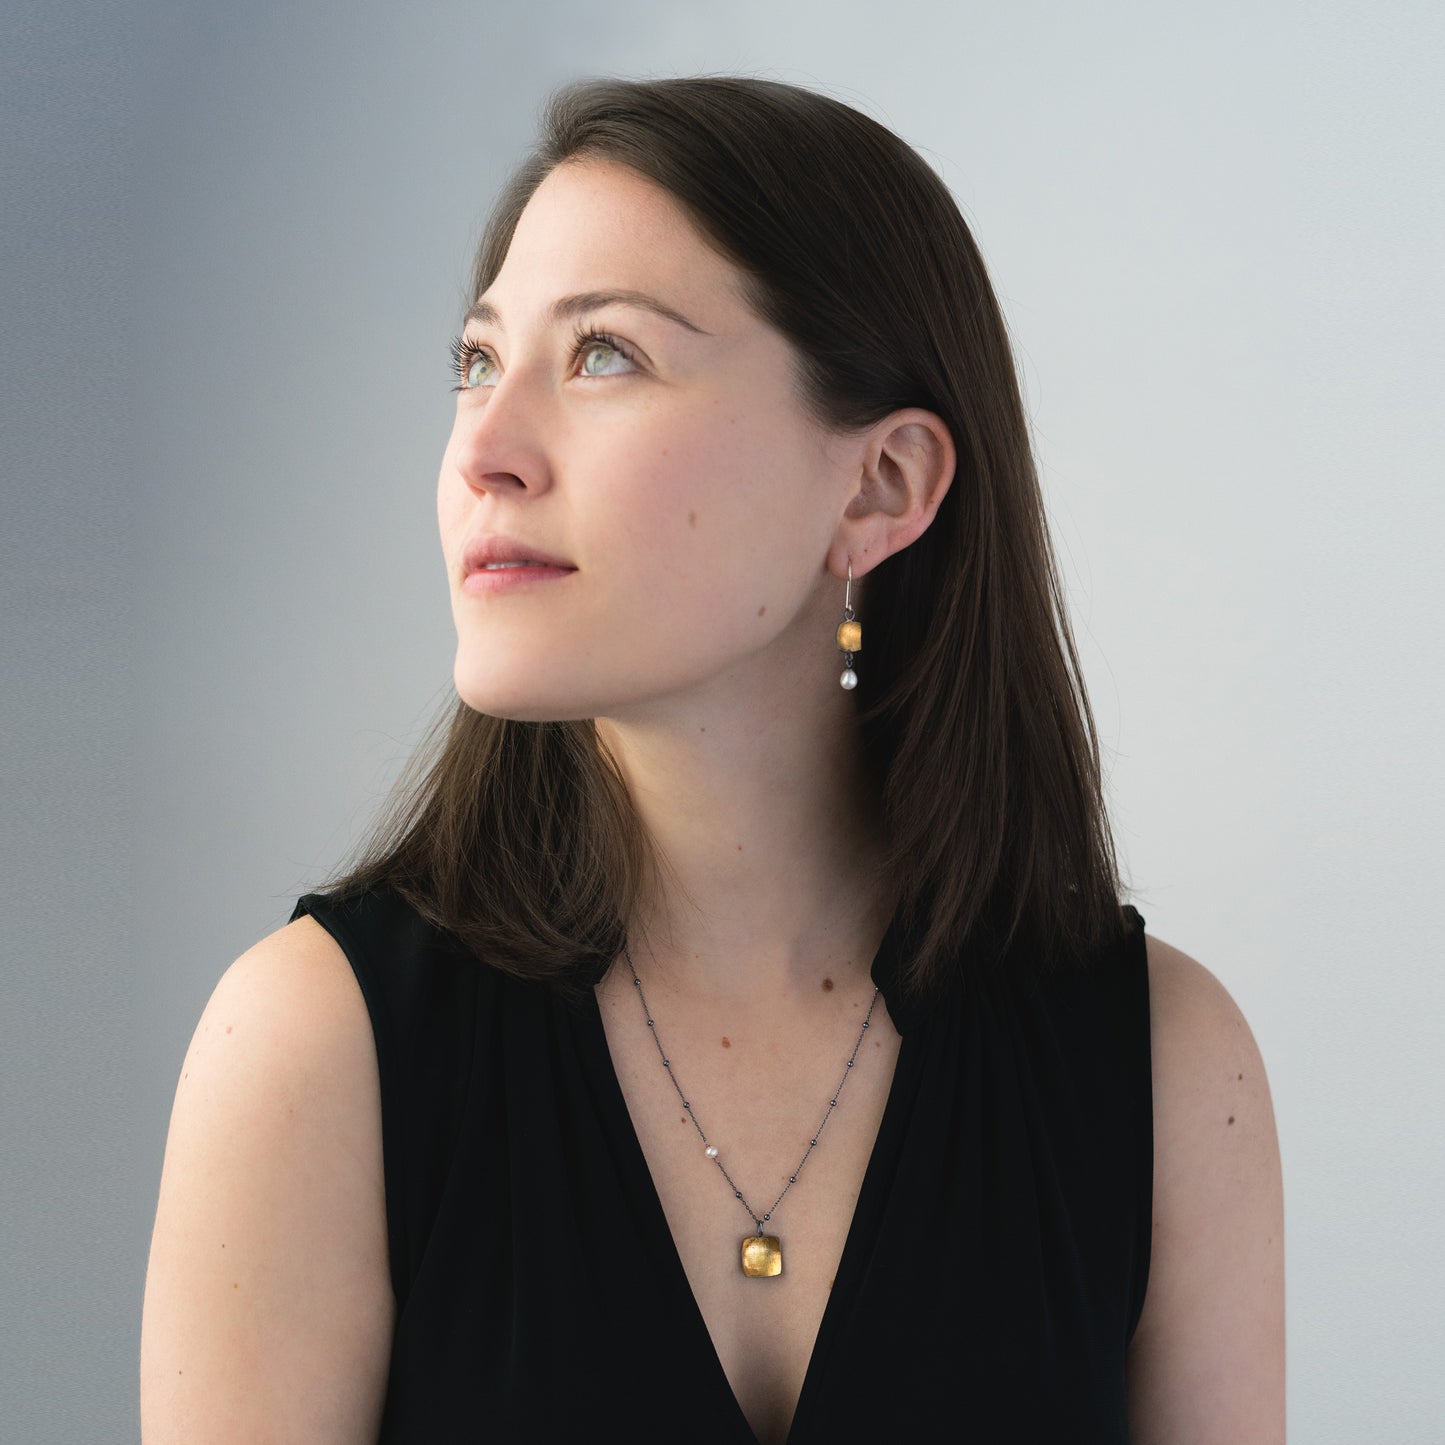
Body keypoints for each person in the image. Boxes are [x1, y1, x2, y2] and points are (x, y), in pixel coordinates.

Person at [139, 75, 1285, 1443]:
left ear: (880, 486)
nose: (483, 452)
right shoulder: (314, 1051)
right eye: (477, 363)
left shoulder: (1161, 1069)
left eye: (603, 354)